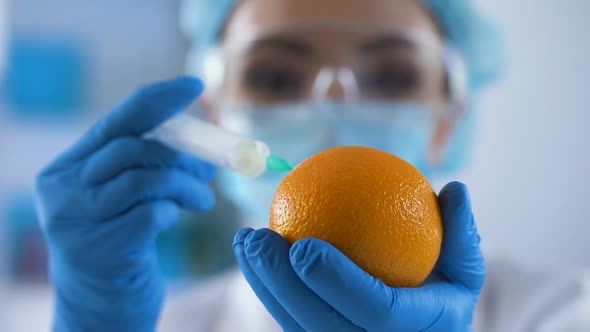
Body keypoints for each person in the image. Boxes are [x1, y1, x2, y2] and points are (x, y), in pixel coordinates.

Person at [34, 0, 590, 331]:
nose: (333, 106)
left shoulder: (560, 311)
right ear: (216, 116)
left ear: (450, 119)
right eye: (275, 78)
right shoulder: (167, 326)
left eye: (392, 77)